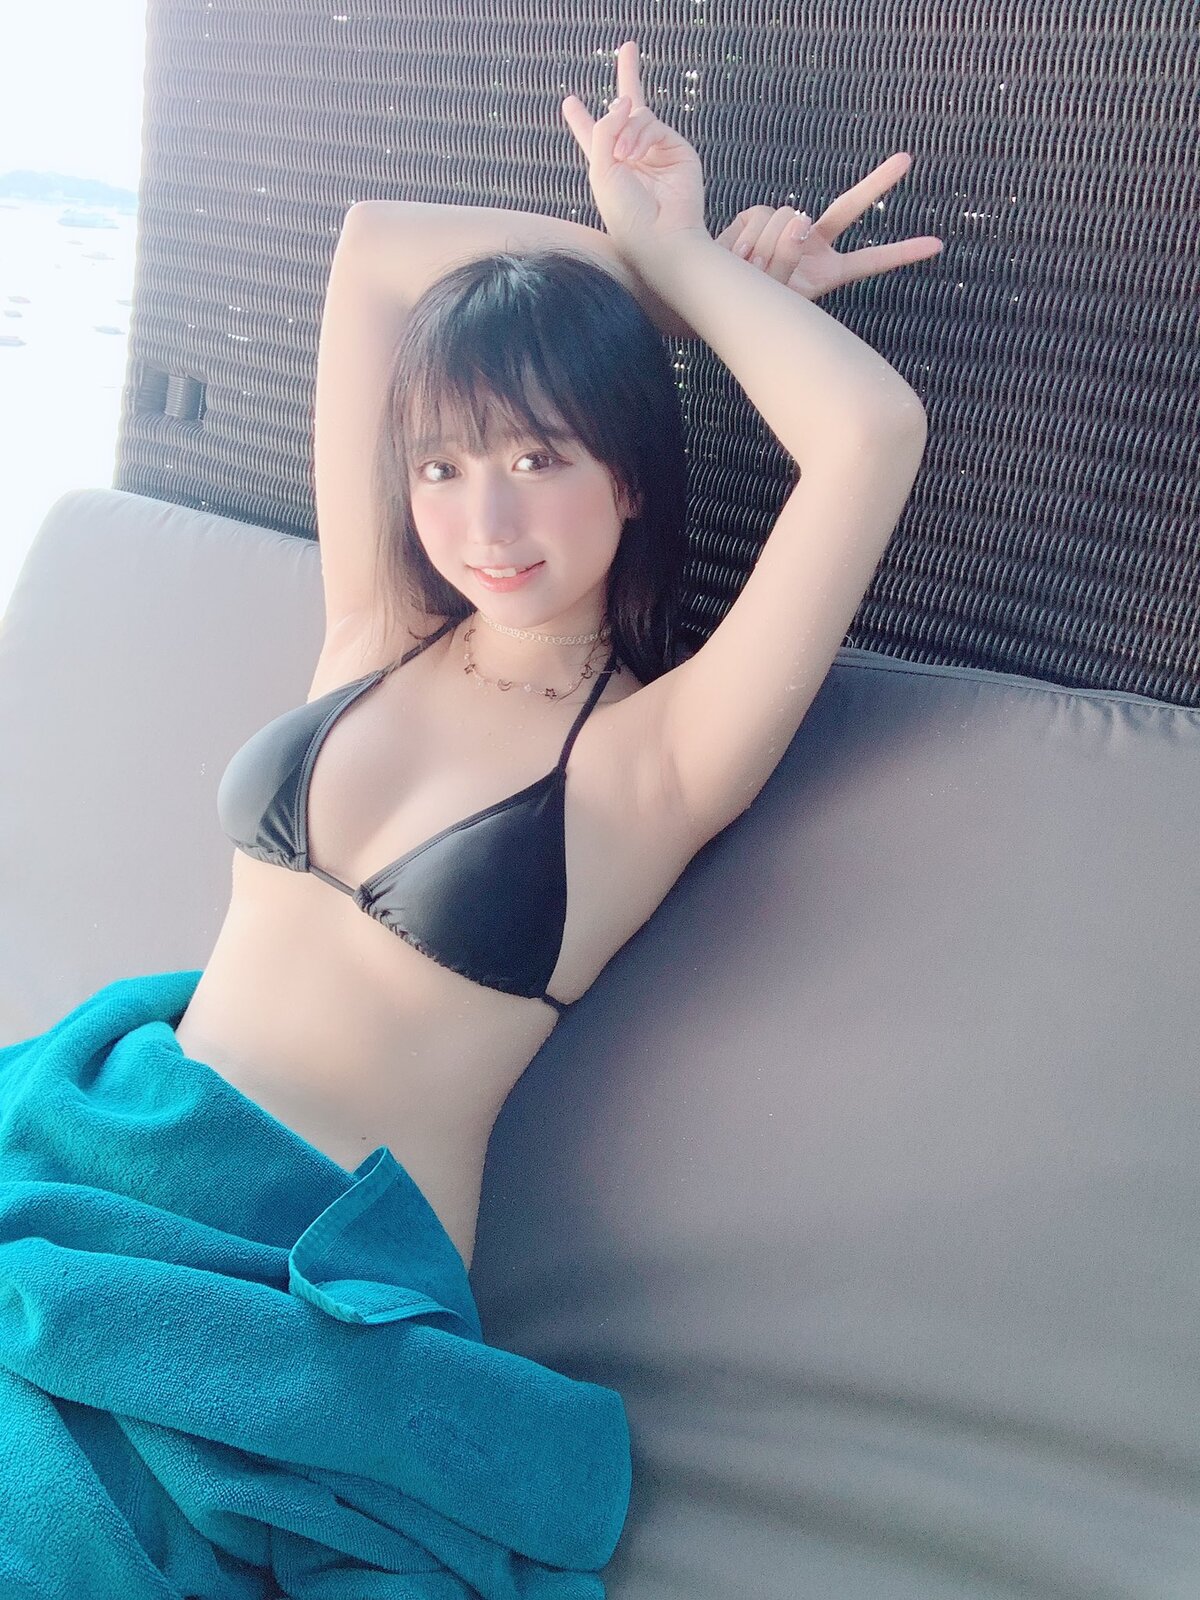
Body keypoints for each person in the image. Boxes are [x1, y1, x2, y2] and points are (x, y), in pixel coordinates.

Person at [0, 38, 940, 1600]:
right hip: (99, 1160)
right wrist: (642, 273)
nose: (482, 521)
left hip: (293, 1294)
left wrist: (684, 268)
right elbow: (378, 253)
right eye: (441, 465)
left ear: (627, 477)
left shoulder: (653, 759)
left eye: (540, 456)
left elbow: (869, 436)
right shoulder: (377, 627)